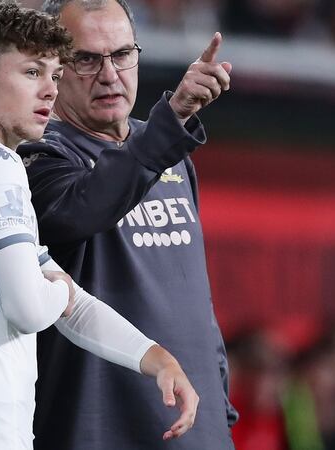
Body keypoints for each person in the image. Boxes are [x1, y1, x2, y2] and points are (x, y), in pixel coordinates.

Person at [0, 2, 198, 449]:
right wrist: (55, 284)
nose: (50, 92)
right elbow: (31, 308)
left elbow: (63, 303)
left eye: (55, 76)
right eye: (32, 72)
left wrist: (154, 358)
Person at [16, 0, 237, 448]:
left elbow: (194, 292)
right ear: (53, 65)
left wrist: (219, 401)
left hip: (197, 425)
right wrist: (170, 121)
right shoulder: (38, 157)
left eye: (121, 54)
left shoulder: (164, 150)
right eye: (86, 58)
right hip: (102, 429)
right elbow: (88, 206)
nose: (109, 74)